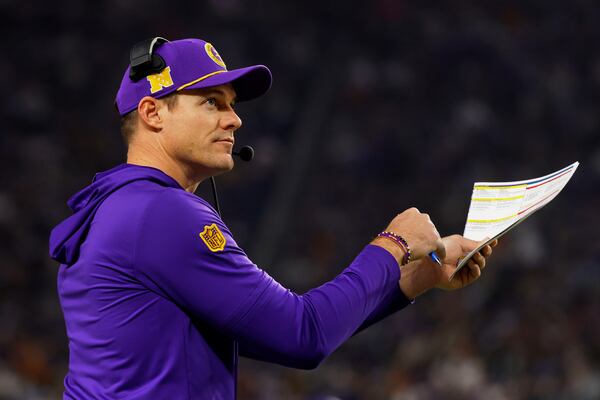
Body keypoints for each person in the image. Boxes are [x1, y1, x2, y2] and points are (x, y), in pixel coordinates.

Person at [49, 37, 496, 399]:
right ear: (152, 112)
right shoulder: (159, 212)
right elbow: (302, 335)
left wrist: (416, 278)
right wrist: (393, 244)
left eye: (231, 104)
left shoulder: (126, 205)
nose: (234, 119)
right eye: (211, 102)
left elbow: (268, 336)